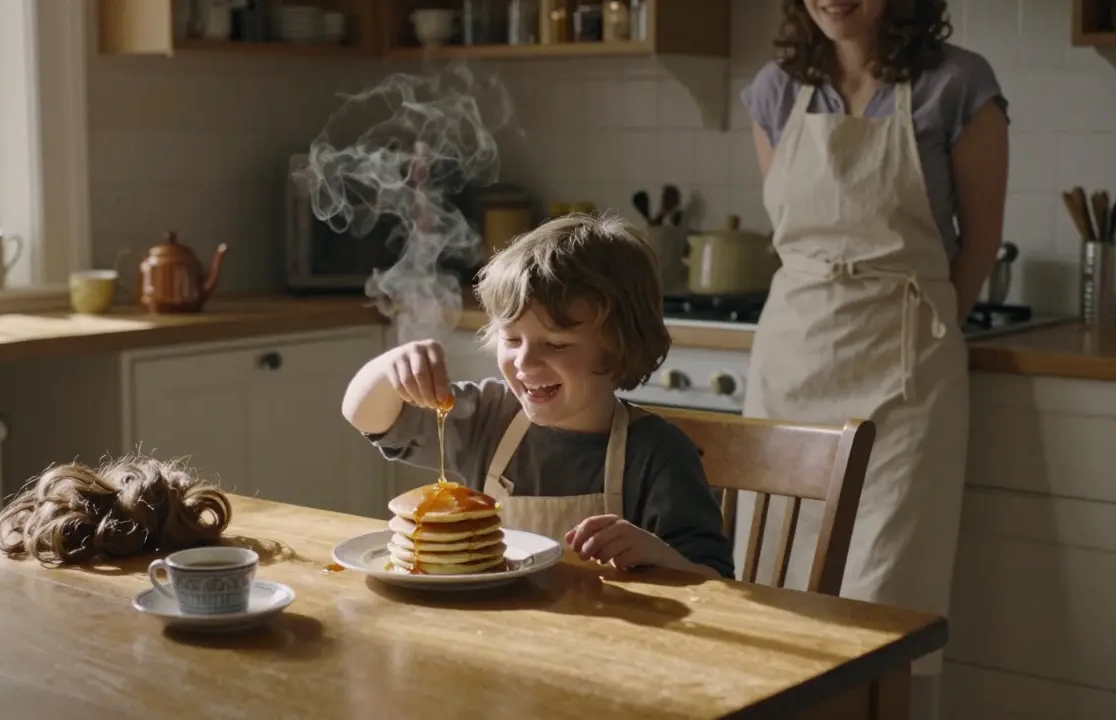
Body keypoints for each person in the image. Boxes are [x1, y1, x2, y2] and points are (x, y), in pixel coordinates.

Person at [739, 0, 1009, 717]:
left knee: (888, 596)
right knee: (778, 590)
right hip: (791, 362)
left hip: (904, 371)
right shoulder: (773, 91)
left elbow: (978, 241)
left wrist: (919, 319)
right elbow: (792, 234)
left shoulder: (960, 84)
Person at [341, 213, 734, 578]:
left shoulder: (660, 455)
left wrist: (657, 554)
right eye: (511, 339)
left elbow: (716, 583)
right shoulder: (489, 417)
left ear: (620, 349)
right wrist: (389, 369)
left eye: (556, 344)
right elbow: (367, 417)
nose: (526, 362)